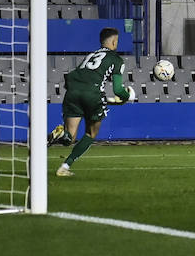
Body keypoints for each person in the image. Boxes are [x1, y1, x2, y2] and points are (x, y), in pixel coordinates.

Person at [50, 27, 134, 176]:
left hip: (72, 92)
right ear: (114, 42)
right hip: (93, 94)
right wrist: (127, 97)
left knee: (70, 138)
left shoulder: (91, 55)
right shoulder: (116, 59)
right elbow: (117, 90)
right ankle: (64, 167)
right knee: (91, 133)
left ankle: (62, 134)